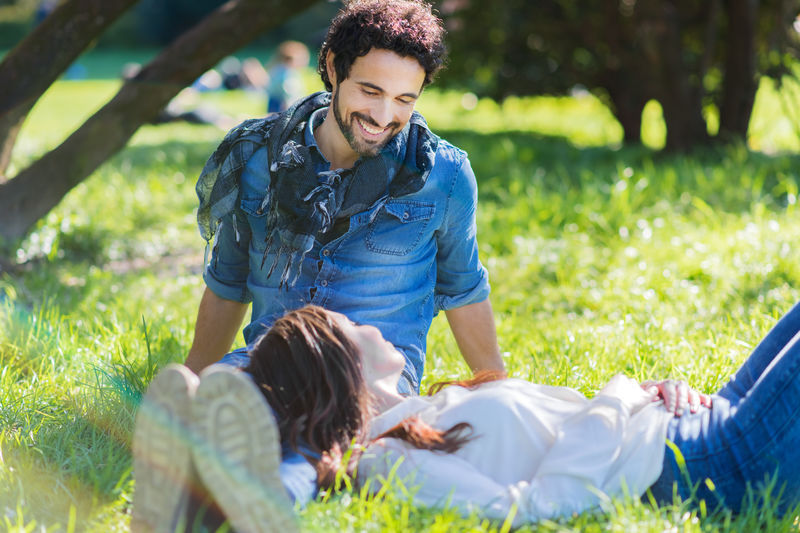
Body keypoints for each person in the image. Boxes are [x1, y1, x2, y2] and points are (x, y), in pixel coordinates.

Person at [176, 0, 504, 510]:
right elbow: (228, 280)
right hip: (273, 361)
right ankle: (217, 465)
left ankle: (253, 494)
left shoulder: (442, 176)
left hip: (374, 377)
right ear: (331, 67)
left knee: (330, 421)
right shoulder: (258, 158)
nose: (383, 115)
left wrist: (497, 391)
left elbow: (464, 288)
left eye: (404, 99)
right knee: (232, 392)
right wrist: (193, 379)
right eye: (370, 91)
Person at [133, 300, 800, 530]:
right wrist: (619, 397)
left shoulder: (423, 406)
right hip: (713, 468)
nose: (372, 322)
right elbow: (536, 507)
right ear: (342, 365)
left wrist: (656, 391)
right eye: (352, 323)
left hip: (699, 418)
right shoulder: (391, 460)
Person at [265, 41, 310, 114]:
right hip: (282, 105)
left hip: (273, 102)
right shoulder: (289, 74)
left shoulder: (277, 69)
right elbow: (289, 94)